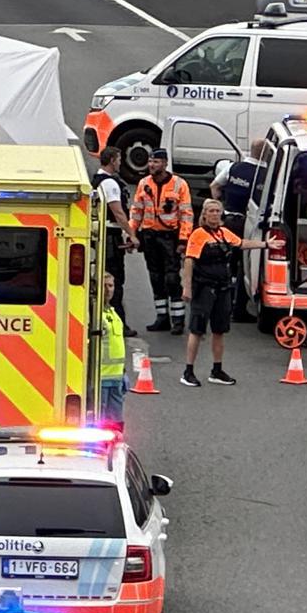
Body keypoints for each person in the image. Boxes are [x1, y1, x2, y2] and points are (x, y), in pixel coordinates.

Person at [179, 203, 262, 388]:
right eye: (211, 211)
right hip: (204, 287)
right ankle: (188, 371)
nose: (215, 214)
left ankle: (217, 370)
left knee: (220, 330)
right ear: (205, 214)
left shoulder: (224, 233)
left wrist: (265, 244)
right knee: (197, 329)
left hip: (223, 287)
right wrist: (187, 287)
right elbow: (189, 261)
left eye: (218, 211)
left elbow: (242, 243)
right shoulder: (198, 234)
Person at [129, 149, 194, 333]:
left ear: (165, 163)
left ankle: (178, 320)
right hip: (150, 237)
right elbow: (136, 211)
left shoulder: (179, 184)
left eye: (156, 162)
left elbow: (186, 214)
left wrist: (183, 239)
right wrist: (131, 233)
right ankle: (162, 318)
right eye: (150, 162)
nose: (151, 165)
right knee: (155, 278)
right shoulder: (144, 183)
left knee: (172, 278)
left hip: (170, 237)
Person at [91, 146, 136, 332]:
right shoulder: (109, 183)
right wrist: (132, 234)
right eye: (118, 159)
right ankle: (117, 323)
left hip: (104, 235)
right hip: (110, 237)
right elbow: (118, 212)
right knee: (114, 280)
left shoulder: (97, 179)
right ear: (111, 160)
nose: (120, 163)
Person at [97, 273, 129, 425]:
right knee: (100, 423)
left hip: (116, 377)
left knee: (116, 422)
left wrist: (123, 372)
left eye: (111, 285)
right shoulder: (95, 313)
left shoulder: (112, 312)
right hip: (100, 378)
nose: (108, 290)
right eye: (104, 285)